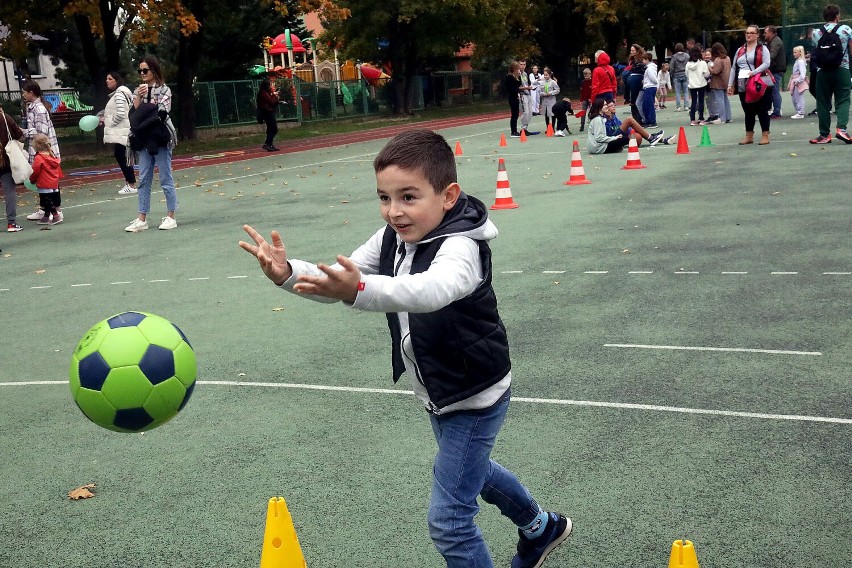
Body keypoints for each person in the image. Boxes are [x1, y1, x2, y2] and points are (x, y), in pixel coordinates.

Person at [238, 129, 572, 568]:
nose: (394, 211)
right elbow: (341, 278)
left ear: (448, 195)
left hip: (475, 393)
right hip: (440, 389)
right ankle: (541, 527)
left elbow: (430, 291)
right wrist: (288, 272)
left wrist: (356, 288)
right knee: (474, 472)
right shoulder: (390, 238)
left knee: (450, 520)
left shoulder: (462, 246)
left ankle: (538, 528)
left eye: (408, 197)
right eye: (384, 197)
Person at [125, 55, 179, 232]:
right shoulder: (137, 91)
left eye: (145, 70)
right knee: (143, 177)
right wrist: (139, 100)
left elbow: (162, 113)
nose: (142, 73)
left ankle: (171, 215)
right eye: (140, 70)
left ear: (154, 70)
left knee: (165, 177)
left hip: (160, 137)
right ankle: (142, 218)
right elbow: (132, 115)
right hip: (143, 139)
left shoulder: (164, 90)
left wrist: (146, 113)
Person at [808, 4, 852, 144]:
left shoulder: (816, 32)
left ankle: (824, 135)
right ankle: (842, 129)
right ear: (837, 16)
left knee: (822, 102)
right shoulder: (846, 30)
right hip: (842, 69)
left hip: (823, 72)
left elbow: (816, 50)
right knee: (843, 99)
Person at [21, 80, 62, 223]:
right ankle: (45, 209)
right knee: (43, 182)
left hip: (45, 152)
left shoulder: (38, 109)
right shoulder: (32, 107)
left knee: (50, 183)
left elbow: (41, 132)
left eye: (24, 92)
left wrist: (24, 132)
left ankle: (56, 210)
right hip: (40, 150)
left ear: (31, 92)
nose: (23, 95)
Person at [728, 25, 774, 145]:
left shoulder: (763, 49)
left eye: (751, 33)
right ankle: (749, 135)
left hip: (758, 82)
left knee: (762, 109)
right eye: (747, 33)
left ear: (757, 35)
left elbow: (767, 63)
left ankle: (765, 135)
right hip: (743, 83)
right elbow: (733, 68)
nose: (748, 35)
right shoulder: (740, 50)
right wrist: (730, 84)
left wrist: (753, 73)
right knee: (748, 110)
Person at [98, 71, 137, 195]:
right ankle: (129, 183)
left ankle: (131, 184)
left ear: (116, 80)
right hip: (122, 130)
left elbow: (121, 113)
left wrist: (110, 123)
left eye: (110, 79)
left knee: (122, 155)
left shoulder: (119, 94)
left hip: (123, 130)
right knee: (122, 155)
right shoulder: (119, 94)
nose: (107, 81)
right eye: (106, 79)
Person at [586, 99, 667, 154]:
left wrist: (634, 131)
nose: (611, 107)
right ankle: (651, 138)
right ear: (600, 108)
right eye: (607, 105)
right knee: (629, 121)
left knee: (637, 137)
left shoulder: (612, 117)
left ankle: (659, 139)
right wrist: (615, 138)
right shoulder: (601, 119)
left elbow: (624, 128)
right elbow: (600, 136)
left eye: (612, 105)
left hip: (608, 140)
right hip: (603, 143)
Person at [28, 134, 63, 227]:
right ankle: (46, 216)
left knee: (47, 200)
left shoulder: (39, 158)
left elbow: (35, 171)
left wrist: (32, 179)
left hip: (44, 182)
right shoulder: (51, 155)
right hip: (53, 182)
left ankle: (55, 215)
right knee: (49, 199)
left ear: (36, 146)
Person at [1, 108, 25, 232]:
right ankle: (11, 222)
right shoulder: (5, 117)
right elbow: (18, 133)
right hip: (4, 159)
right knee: (9, 191)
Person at [764, 25, 787, 118]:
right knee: (772, 90)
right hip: (775, 69)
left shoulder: (775, 42)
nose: (764, 34)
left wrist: (764, 63)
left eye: (766, 32)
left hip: (776, 70)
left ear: (771, 32)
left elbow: (772, 55)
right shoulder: (774, 41)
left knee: (774, 91)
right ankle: (775, 110)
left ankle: (777, 111)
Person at [686, 46, 710, 125]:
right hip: (701, 84)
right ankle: (701, 119)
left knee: (693, 101)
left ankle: (692, 120)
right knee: (701, 101)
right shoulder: (702, 63)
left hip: (692, 85)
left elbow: (686, 74)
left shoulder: (688, 64)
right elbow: (706, 74)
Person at [708, 43, 732, 123]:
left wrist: (710, 68)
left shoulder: (718, 59)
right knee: (725, 99)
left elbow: (716, 71)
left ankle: (722, 118)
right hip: (726, 81)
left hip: (718, 82)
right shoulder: (727, 58)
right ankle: (728, 116)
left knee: (719, 100)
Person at [256, 77, 280, 151]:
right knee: (274, 128)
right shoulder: (264, 93)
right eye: (269, 85)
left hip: (268, 111)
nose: (270, 87)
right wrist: (274, 95)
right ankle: (267, 143)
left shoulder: (266, 93)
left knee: (271, 128)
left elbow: (273, 102)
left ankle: (269, 144)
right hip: (267, 112)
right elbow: (271, 102)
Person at [788, 45, 809, 119]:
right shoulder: (798, 61)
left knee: (798, 98)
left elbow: (802, 74)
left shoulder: (800, 61)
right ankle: (799, 111)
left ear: (800, 53)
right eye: (793, 52)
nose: (794, 54)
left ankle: (800, 112)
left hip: (798, 81)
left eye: (795, 52)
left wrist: (797, 81)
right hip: (795, 80)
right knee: (795, 98)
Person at [503, 61, 523, 137]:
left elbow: (518, 84)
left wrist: (519, 76)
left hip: (516, 97)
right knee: (514, 114)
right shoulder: (509, 77)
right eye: (518, 68)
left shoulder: (515, 77)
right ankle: (513, 131)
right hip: (512, 97)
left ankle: (514, 130)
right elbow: (512, 89)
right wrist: (516, 92)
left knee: (516, 114)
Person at [669, 43, 691, 111]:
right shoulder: (687, 56)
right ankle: (686, 106)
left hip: (677, 74)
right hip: (685, 74)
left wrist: (671, 74)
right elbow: (689, 64)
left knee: (677, 92)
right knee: (686, 91)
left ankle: (678, 107)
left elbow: (672, 67)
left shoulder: (674, 57)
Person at [517, 59, 536, 135]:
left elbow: (526, 84)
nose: (523, 66)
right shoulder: (517, 74)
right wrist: (526, 88)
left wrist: (529, 88)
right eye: (521, 64)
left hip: (528, 94)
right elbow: (517, 87)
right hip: (522, 94)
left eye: (524, 64)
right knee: (526, 112)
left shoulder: (525, 74)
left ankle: (525, 128)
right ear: (518, 65)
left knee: (530, 112)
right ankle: (523, 128)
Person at [641, 52, 659, 127]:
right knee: (646, 104)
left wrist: (655, 83)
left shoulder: (650, 68)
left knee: (649, 105)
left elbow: (653, 78)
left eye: (644, 59)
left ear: (647, 60)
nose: (643, 61)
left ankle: (652, 121)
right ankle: (648, 121)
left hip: (650, 87)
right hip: (649, 87)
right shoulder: (650, 68)